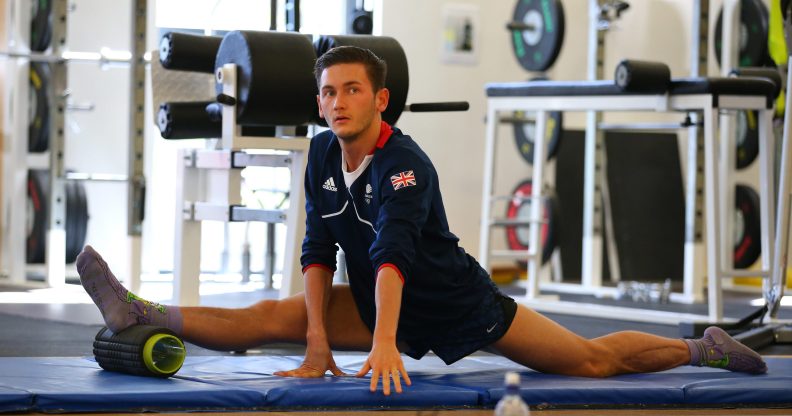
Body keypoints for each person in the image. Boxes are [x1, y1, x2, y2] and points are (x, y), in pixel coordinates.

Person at [75, 46, 767, 397]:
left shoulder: (403, 163)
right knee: (267, 317)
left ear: (380, 99)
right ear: (319, 105)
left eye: (352, 90)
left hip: (455, 303)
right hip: (383, 304)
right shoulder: (321, 154)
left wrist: (383, 347)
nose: (339, 102)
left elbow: (393, 254)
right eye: (328, 92)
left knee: (591, 362)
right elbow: (318, 252)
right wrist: (319, 343)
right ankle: (142, 311)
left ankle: (698, 347)